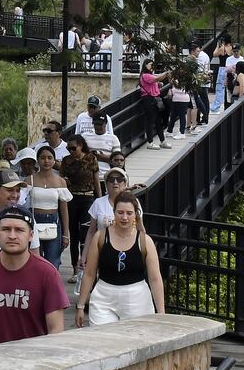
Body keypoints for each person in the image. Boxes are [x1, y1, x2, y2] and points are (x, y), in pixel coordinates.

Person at [0, 206, 69, 348]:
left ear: (31, 235)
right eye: (6, 229)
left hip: (32, 363)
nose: (12, 236)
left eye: (19, 230)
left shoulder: (47, 273)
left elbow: (56, 329)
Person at [74, 192, 165, 327]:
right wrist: (80, 306)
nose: (124, 217)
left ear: (136, 214)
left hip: (137, 297)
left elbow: (155, 278)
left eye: (129, 213)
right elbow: (89, 273)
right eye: (120, 212)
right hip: (104, 297)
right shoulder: (100, 237)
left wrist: (161, 312)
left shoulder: (145, 241)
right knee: (102, 339)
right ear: (114, 212)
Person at [59, 134, 101, 284]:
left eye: (73, 148)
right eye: (68, 148)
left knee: (86, 233)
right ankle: (75, 269)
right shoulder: (66, 161)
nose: (71, 151)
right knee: (73, 234)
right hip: (71, 198)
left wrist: (99, 199)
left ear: (81, 145)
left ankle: (86, 267)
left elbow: (96, 181)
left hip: (88, 197)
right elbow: (62, 179)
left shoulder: (91, 159)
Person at [25, 145, 71, 270]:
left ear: (54, 160)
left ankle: (50, 288)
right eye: (43, 158)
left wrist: (66, 234)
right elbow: (21, 201)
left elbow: (64, 208)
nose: (46, 161)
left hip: (53, 221)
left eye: (50, 158)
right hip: (34, 220)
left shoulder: (60, 181)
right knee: (34, 260)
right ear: (38, 160)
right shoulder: (29, 180)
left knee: (53, 261)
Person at [138, 60, 172, 150]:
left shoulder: (150, 75)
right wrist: (166, 73)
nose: (152, 66)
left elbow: (157, 81)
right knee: (150, 122)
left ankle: (162, 141)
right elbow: (157, 78)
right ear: (145, 65)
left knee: (158, 121)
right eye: (151, 65)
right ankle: (150, 142)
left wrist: (159, 84)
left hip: (154, 100)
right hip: (149, 100)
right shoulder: (145, 75)